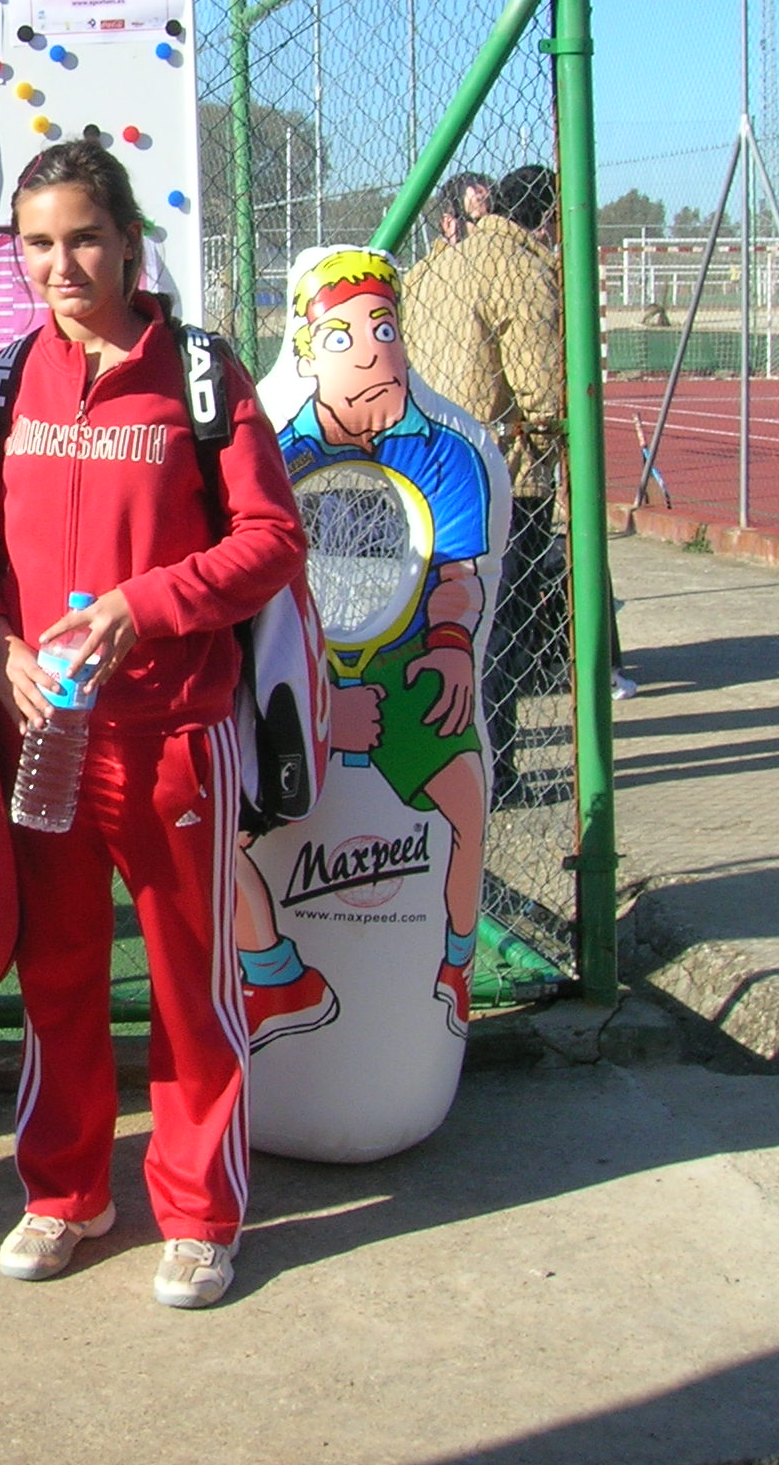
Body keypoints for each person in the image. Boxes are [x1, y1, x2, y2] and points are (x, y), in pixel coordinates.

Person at [0, 139, 306, 1310]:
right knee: (56, 972)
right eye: (38, 244)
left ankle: (198, 1216)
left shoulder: (199, 374)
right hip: (42, 737)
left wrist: (143, 609)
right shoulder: (4, 382)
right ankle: (66, 1196)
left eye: (84, 239)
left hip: (173, 734)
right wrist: (0, 647)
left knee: (190, 986)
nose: (62, 266)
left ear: (130, 242)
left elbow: (271, 540)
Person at [275, 248, 492, 1037]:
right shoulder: (269, 450)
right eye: (342, 337)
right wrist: (318, 701)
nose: (371, 352)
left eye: (384, 328)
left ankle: (453, 969)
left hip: (405, 664)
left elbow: (459, 574)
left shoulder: (448, 452)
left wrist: (451, 644)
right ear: (307, 352)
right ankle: (269, 973)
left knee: (466, 802)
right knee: (221, 820)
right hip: (289, 666)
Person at [399, 162, 573, 794]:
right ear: (549, 219)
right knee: (496, 625)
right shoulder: (525, 271)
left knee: (429, 619)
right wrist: (553, 441)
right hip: (502, 472)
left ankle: (424, 757)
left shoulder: (433, 269)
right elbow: (542, 392)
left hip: (421, 464)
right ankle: (494, 768)